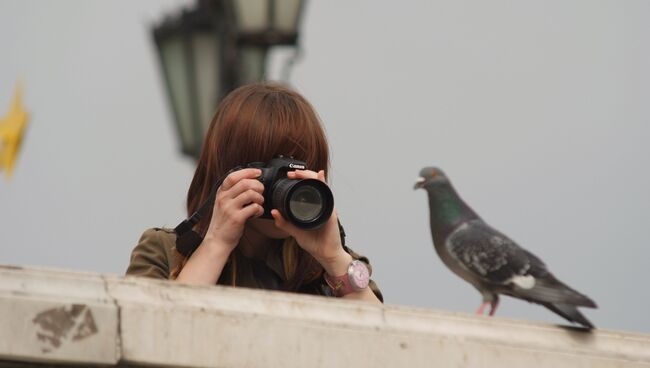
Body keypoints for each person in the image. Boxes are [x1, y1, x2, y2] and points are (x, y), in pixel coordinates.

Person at [126, 82, 382, 303]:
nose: (288, 188)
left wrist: (333, 258)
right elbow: (156, 332)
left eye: (298, 172)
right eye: (273, 172)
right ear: (225, 173)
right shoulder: (164, 251)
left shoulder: (338, 269)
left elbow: (383, 344)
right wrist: (217, 244)